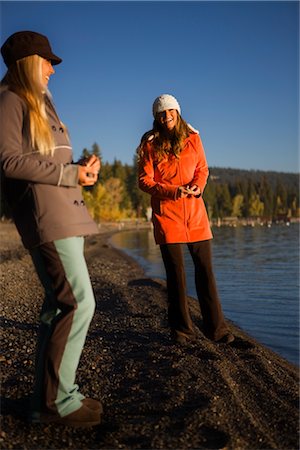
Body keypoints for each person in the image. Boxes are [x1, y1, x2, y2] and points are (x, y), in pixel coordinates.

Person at [0, 31, 102, 427]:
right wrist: (68, 173)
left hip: (64, 213)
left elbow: (47, 162)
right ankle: (56, 402)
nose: (52, 70)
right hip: (47, 217)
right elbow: (9, 162)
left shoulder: (40, 103)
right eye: (47, 62)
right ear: (29, 63)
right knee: (78, 303)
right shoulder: (10, 99)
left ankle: (53, 397)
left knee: (57, 307)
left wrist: (81, 170)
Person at [138, 94, 234, 346]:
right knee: (176, 274)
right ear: (156, 118)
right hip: (167, 214)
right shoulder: (150, 144)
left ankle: (218, 330)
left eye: (170, 111)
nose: (166, 115)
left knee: (205, 271)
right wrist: (172, 191)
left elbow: (202, 168)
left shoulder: (193, 138)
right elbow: (144, 180)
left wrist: (197, 187)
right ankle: (181, 331)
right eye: (161, 113)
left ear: (178, 113)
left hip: (195, 213)